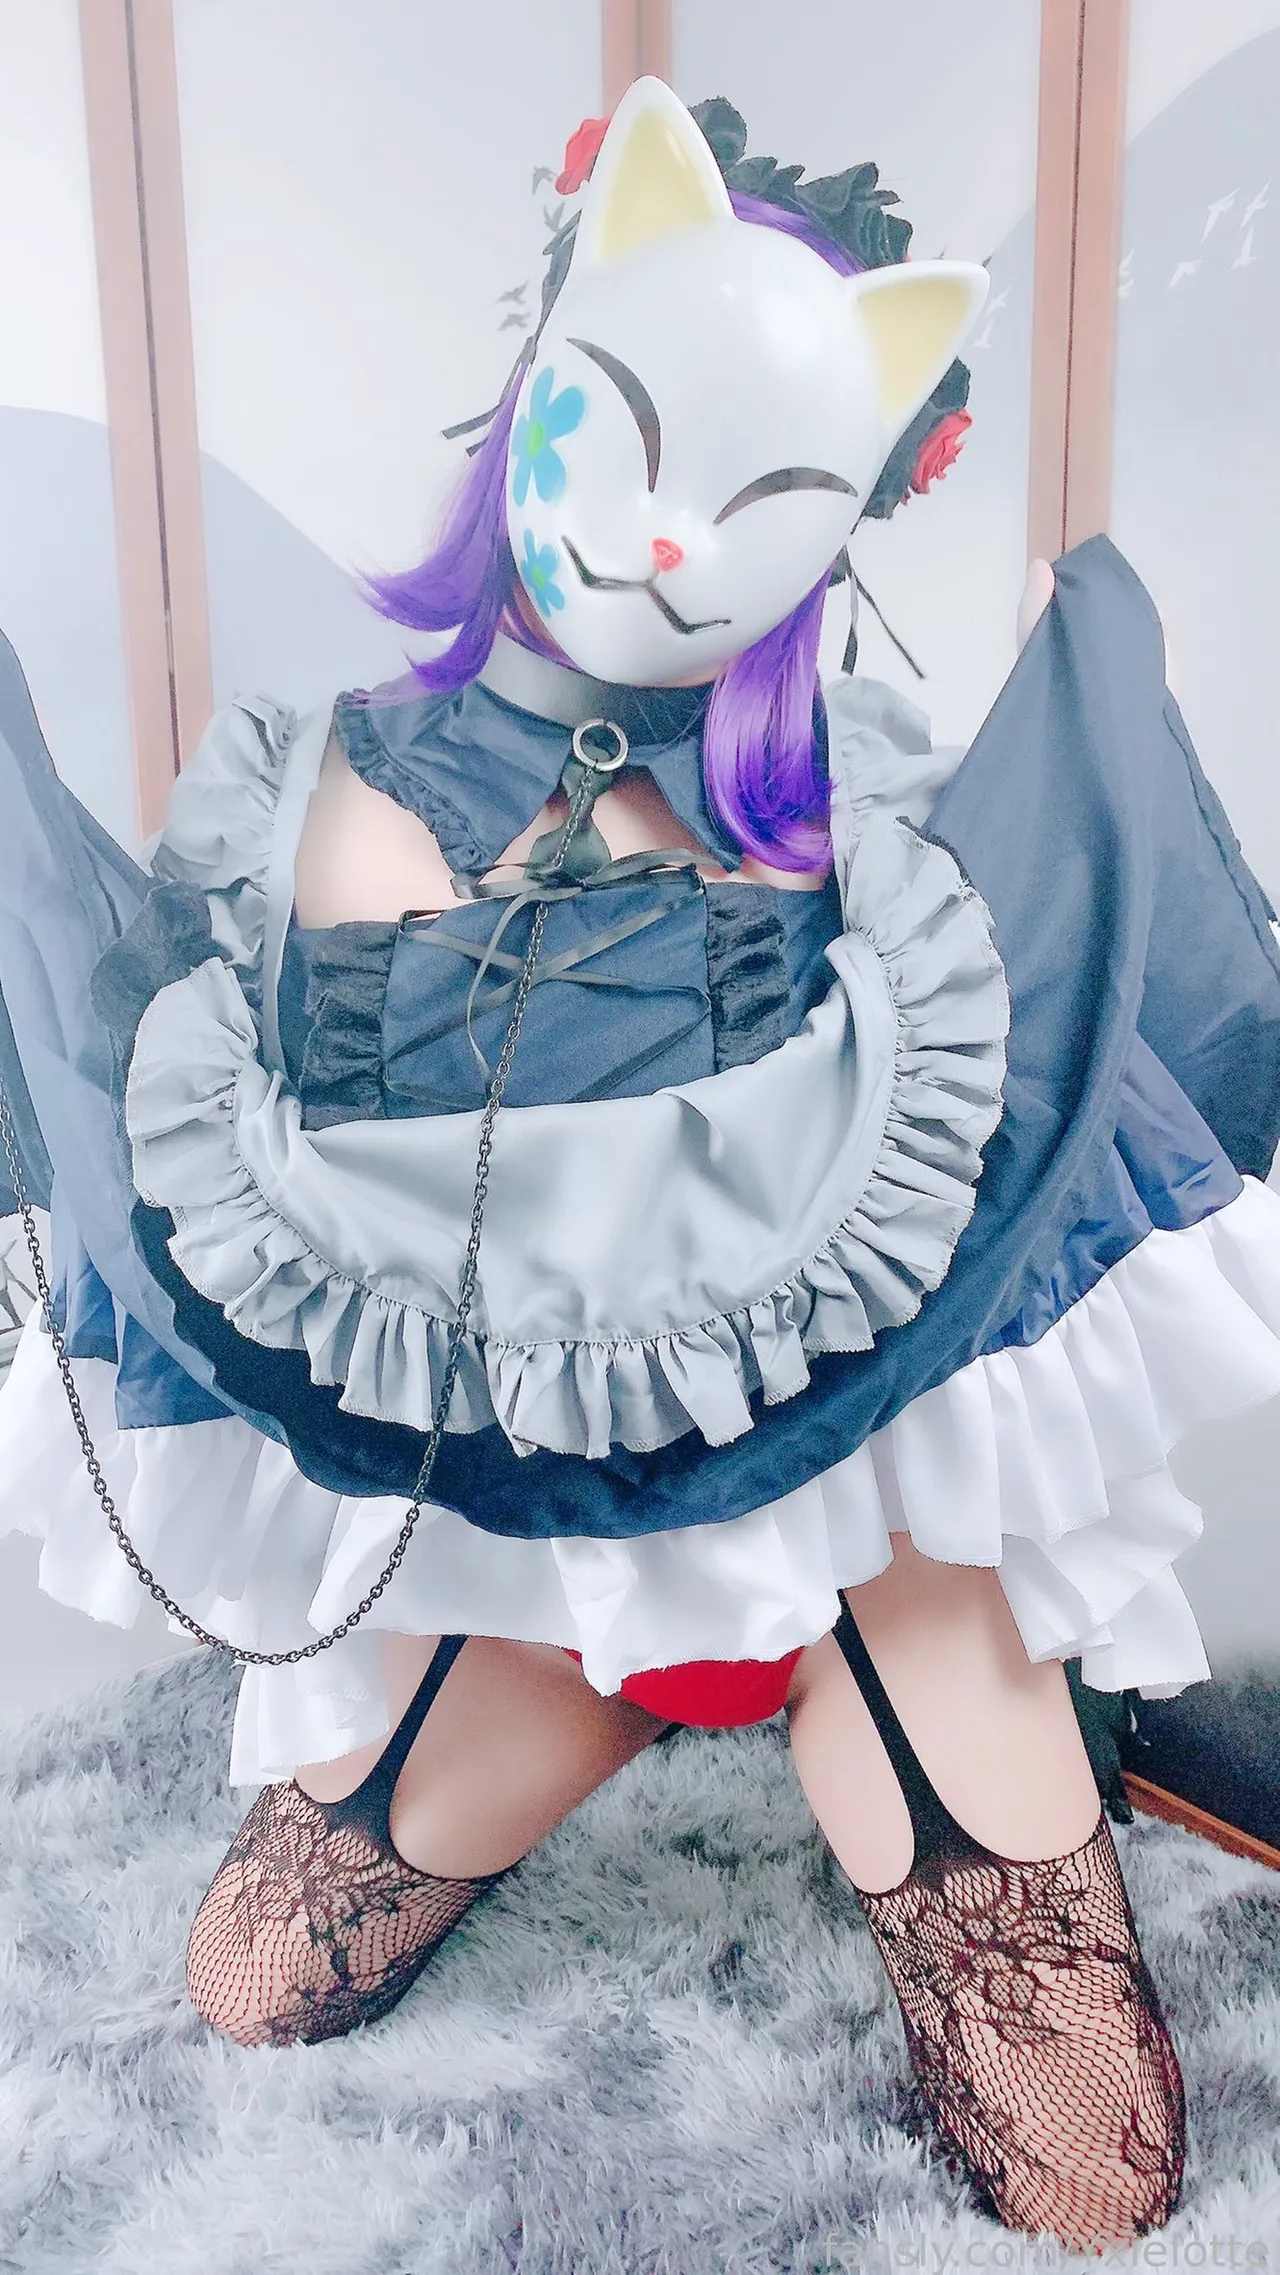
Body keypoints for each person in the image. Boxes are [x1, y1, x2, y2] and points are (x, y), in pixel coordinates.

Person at [3, 78, 1280, 2253]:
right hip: (531, 1563)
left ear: (852, 510)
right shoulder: (309, 795)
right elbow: (237, 1206)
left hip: (874, 1554)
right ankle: (640, 1678)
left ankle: (925, 1693)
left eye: (770, 485)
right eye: (631, 428)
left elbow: (1003, 1149)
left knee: (1088, 2171)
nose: (673, 534)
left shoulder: (874, 836)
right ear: (536, 388)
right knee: (252, 1982)